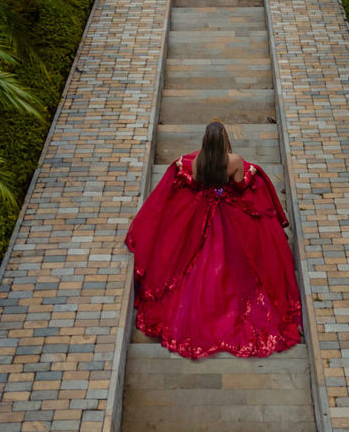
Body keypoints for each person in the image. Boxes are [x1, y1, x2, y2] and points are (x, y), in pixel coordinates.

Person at [125, 120, 302, 359]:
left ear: (205, 142)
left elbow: (194, 181)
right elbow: (240, 186)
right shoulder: (235, 161)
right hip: (229, 213)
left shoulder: (198, 161)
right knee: (241, 262)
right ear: (225, 140)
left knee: (194, 259)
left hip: (202, 211)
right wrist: (251, 173)